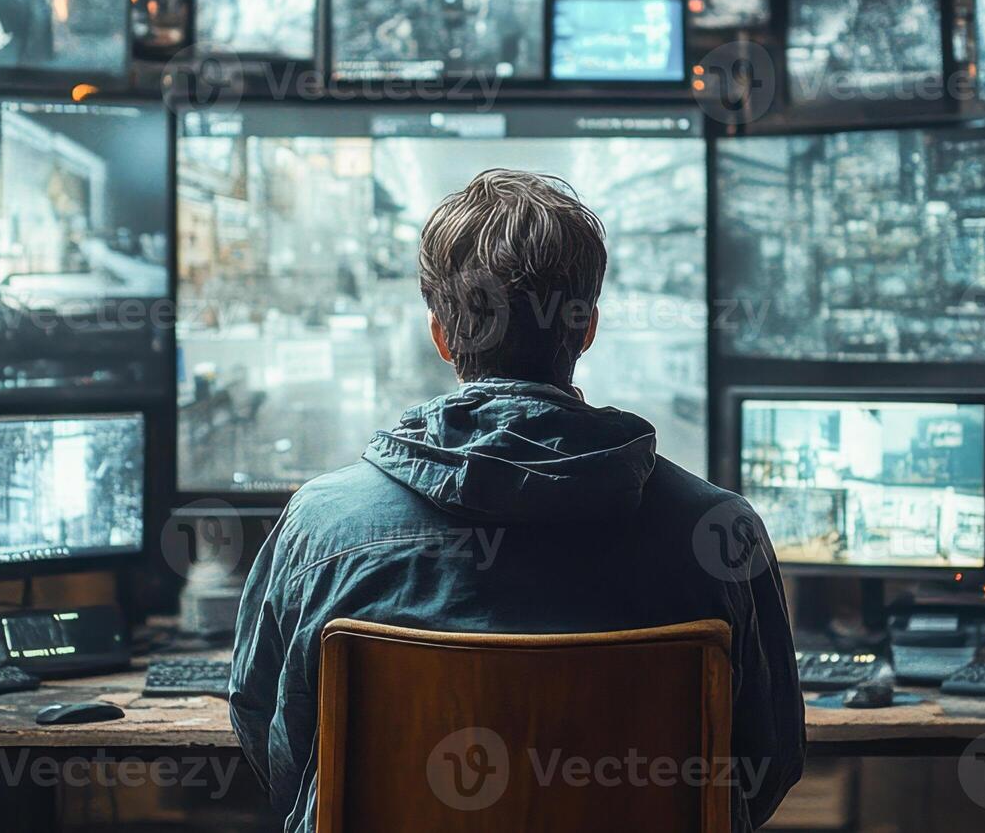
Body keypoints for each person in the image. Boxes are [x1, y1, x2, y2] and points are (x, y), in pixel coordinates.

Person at [229, 168, 804, 832]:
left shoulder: (321, 526)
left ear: (441, 337)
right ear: (586, 329)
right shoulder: (716, 530)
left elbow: (275, 742)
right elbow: (769, 762)